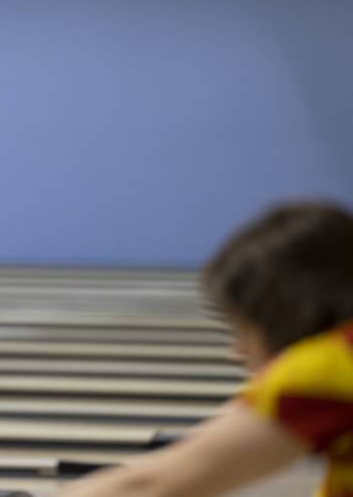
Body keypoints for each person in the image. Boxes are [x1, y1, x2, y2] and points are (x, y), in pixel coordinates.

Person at [58, 202, 353, 497]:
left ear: (279, 315)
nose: (235, 351)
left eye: (241, 327)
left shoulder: (325, 369)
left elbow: (147, 486)